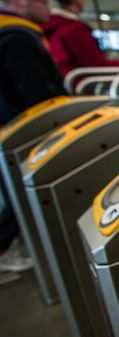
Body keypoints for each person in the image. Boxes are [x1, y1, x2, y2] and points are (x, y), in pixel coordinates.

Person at [1, 0, 66, 271]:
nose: (48, 7)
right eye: (42, 1)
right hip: (27, 129)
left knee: (15, 191)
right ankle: (5, 246)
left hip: (10, 128)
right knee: (19, 192)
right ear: (19, 2)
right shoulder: (17, 38)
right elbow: (36, 89)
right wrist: (65, 115)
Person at [41, 0, 119, 78]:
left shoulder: (51, 26)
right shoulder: (75, 29)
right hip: (80, 85)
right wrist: (118, 65)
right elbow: (95, 65)